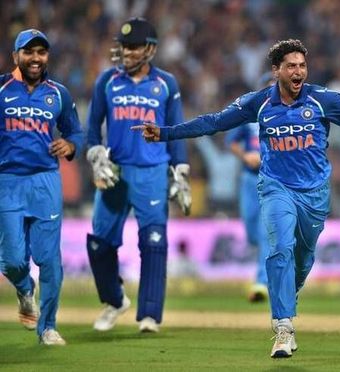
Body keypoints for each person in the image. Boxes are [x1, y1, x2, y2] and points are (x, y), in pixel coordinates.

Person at [132, 39, 340, 357]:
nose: (298, 72)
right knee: (279, 249)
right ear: (277, 71)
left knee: (302, 260)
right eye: (291, 66)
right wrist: (166, 133)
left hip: (314, 193)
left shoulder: (321, 101)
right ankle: (283, 327)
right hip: (276, 187)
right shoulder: (257, 103)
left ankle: (289, 295)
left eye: (302, 65)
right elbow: (214, 122)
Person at [86, 17, 191, 334]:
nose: (126, 52)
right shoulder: (107, 80)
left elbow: (175, 131)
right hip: (116, 172)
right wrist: (95, 155)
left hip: (152, 173)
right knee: (99, 245)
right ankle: (114, 301)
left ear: (150, 49)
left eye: (133, 46)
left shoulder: (166, 84)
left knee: (154, 242)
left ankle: (149, 315)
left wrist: (180, 172)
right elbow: (92, 130)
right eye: (124, 46)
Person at [0, 29, 84, 345]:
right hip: (7, 182)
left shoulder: (58, 93)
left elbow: (76, 131)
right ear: (16, 56)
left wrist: (70, 145)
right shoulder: (2, 88)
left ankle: (47, 326)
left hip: (45, 182)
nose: (36, 58)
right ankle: (24, 288)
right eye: (29, 52)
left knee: (49, 260)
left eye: (42, 52)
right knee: (11, 261)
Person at [224, 72, 274, 302]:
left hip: (272, 179)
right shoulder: (249, 114)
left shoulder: (287, 116)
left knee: (265, 233)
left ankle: (261, 282)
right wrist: (245, 156)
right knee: (252, 231)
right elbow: (231, 142)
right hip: (248, 179)